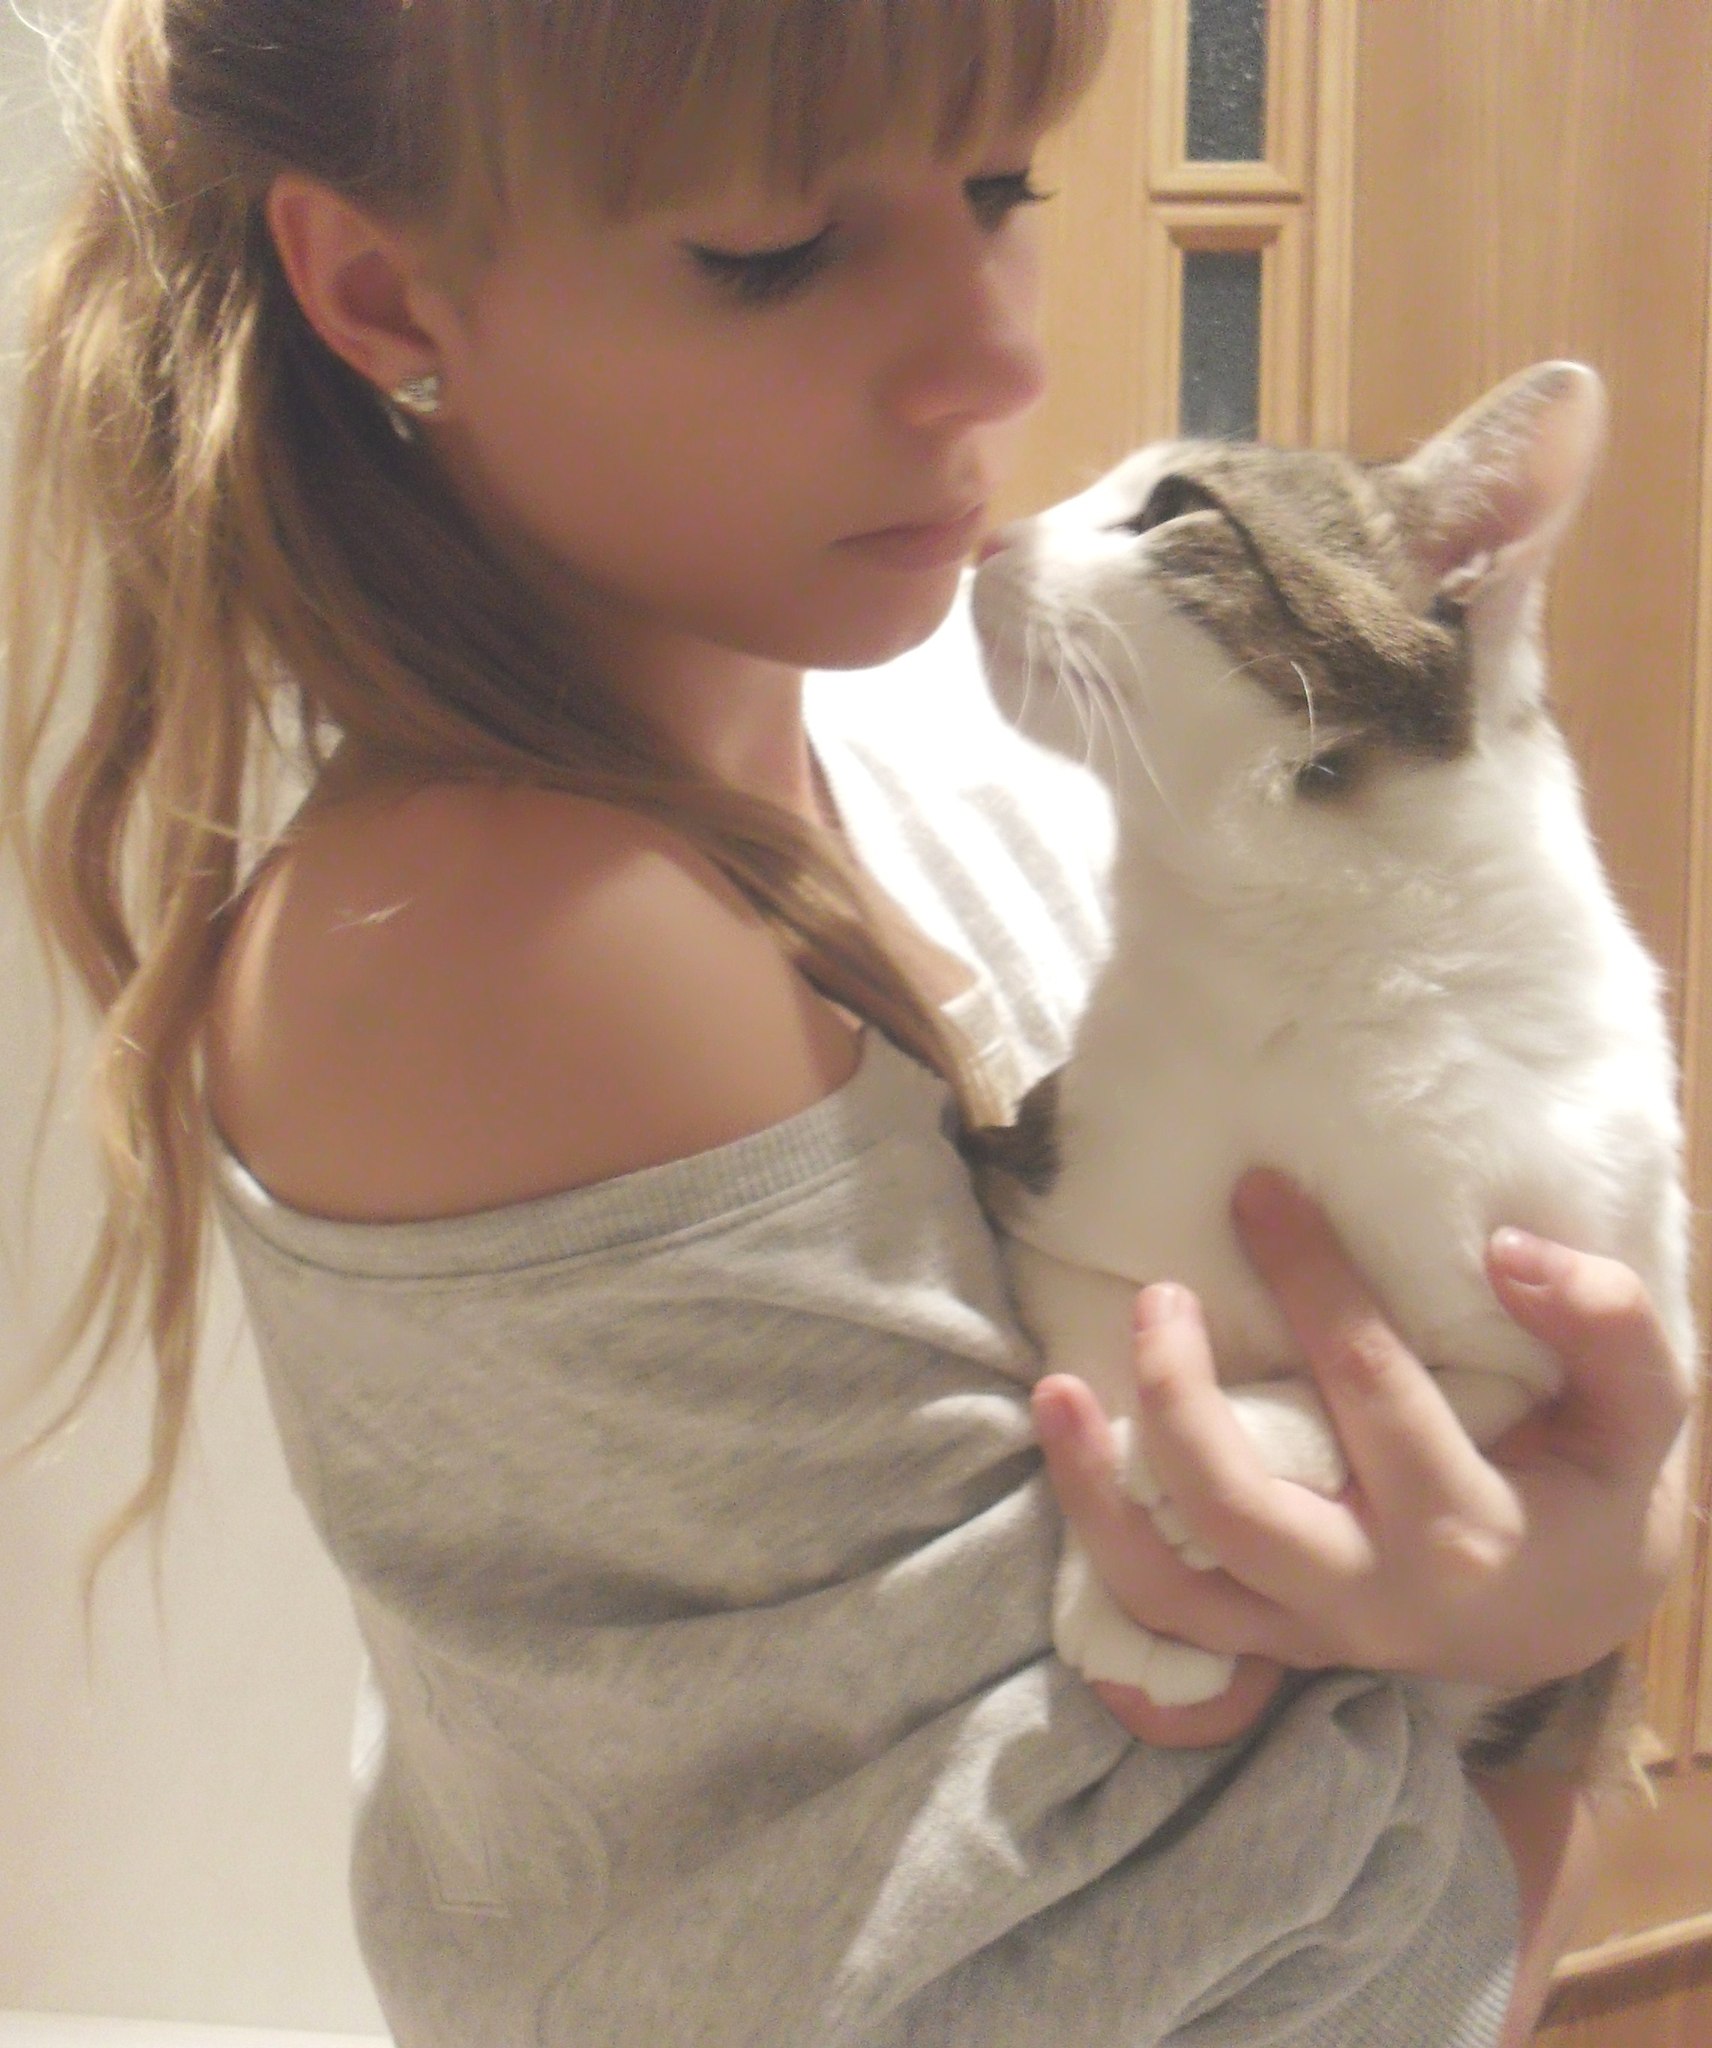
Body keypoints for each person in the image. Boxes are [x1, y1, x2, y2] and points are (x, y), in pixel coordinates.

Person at [1, 2, 1692, 2043]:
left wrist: (1563, 1562)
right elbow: (1259, 1995)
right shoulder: (519, 930)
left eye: (996, 186)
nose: (999, 359)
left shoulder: (916, 753)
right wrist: (1560, 1654)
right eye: (773, 251)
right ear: (380, 289)